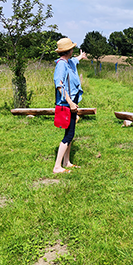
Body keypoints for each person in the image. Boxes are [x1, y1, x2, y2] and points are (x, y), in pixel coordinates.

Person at [53, 38, 86, 174]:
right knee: (68, 135)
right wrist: (71, 103)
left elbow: (76, 60)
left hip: (72, 103)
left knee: (70, 134)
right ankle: (57, 167)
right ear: (69, 50)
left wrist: (81, 56)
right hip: (67, 105)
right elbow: (59, 85)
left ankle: (67, 162)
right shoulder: (61, 65)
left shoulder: (69, 62)